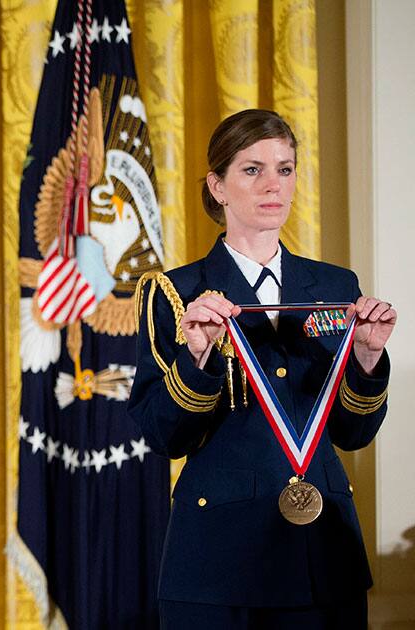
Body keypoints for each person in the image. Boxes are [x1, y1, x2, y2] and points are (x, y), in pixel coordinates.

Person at [129, 109, 396, 628]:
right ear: (218, 186)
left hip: (321, 556)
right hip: (218, 559)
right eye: (253, 170)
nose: (274, 185)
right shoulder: (174, 293)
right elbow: (164, 434)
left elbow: (353, 432)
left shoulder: (336, 286)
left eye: (285, 168)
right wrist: (197, 356)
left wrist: (367, 357)